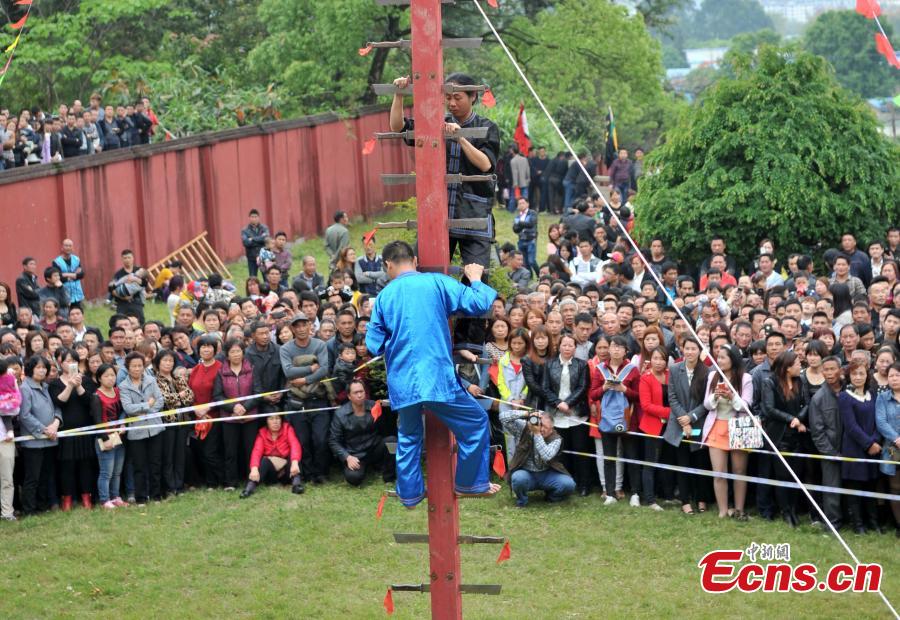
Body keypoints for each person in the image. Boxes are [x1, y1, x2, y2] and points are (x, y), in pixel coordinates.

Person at [365, 241, 500, 506]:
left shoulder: (384, 297)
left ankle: (410, 493)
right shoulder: (436, 283)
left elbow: (373, 345)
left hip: (403, 380)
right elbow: (479, 302)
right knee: (475, 423)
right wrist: (475, 278)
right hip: (436, 377)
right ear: (414, 260)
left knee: (409, 436)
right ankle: (469, 483)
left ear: (387, 265)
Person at [390, 72, 500, 268]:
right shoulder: (435, 123)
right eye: (448, 98)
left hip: (473, 213)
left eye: (457, 98)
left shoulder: (487, 127)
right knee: (428, 274)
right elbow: (398, 127)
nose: (452, 103)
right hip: (438, 214)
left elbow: (485, 164)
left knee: (476, 278)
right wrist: (399, 95)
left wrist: (461, 138)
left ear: (472, 96)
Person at [702, 345, 753, 520]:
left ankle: (739, 509)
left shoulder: (745, 378)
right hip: (716, 427)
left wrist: (732, 397)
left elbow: (747, 406)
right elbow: (706, 405)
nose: (719, 360)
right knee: (719, 473)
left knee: (739, 471)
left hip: (739, 427)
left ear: (733, 359)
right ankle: (722, 511)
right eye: (718, 357)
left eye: (723, 357)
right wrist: (715, 396)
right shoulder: (712, 376)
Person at [280, 312, 331, 485]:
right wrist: (310, 369)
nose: (301, 329)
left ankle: (321, 472)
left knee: (320, 439)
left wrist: (305, 380)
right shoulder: (286, 349)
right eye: (297, 326)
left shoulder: (320, 345)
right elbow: (288, 371)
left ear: (310, 326)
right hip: (297, 402)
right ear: (292, 329)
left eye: (304, 325)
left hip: (318, 399)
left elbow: (324, 369)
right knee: (302, 440)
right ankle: (308, 473)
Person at [760, 350, 808, 527]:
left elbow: (806, 404)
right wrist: (791, 419)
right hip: (778, 436)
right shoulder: (769, 382)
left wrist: (799, 420)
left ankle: (794, 508)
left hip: (797, 436)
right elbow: (769, 409)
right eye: (797, 363)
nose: (800, 366)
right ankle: (785, 511)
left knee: (796, 475)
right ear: (787, 367)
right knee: (782, 476)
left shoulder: (799, 381)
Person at [592, 335, 641, 506]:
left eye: (620, 347)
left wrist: (624, 389)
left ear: (626, 351)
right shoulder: (599, 369)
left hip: (628, 419)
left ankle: (635, 493)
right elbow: (592, 394)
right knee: (609, 457)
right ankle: (610, 493)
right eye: (613, 346)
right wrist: (604, 387)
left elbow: (639, 396)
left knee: (631, 456)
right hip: (606, 419)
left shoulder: (632, 369)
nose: (615, 349)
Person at [665, 336, 711, 514]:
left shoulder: (707, 372)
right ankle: (685, 500)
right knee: (682, 464)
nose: (690, 352)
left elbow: (707, 401)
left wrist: (691, 417)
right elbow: (672, 397)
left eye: (694, 348)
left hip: (699, 423)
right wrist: (683, 419)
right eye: (687, 348)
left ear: (699, 351)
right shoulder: (675, 369)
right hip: (678, 424)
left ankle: (701, 499)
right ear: (682, 349)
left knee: (701, 464)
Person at [838, 360, 882, 534]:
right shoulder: (844, 396)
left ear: (867, 375)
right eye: (854, 373)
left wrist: (876, 441)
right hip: (854, 448)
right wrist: (868, 443)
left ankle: (873, 522)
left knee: (871, 485)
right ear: (849, 375)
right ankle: (858, 524)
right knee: (855, 488)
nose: (858, 377)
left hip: (873, 447)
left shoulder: (873, 394)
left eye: (861, 373)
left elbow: (878, 420)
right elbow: (851, 426)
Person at [49, 348, 94, 511]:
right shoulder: (54, 383)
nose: (70, 364)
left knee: (86, 465)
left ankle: (86, 498)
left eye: (73, 361)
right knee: (66, 467)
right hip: (65, 432)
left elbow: (90, 401)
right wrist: (69, 386)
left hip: (85, 430)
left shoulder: (86, 380)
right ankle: (67, 499)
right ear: (60, 363)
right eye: (66, 360)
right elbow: (59, 402)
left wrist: (79, 386)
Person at [214, 339, 261, 491]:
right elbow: (218, 396)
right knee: (230, 451)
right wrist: (234, 407)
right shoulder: (221, 372)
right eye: (232, 352)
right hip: (229, 418)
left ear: (243, 352)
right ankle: (231, 482)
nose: (236, 354)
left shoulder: (252, 368)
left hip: (250, 416)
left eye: (238, 351)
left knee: (250, 449)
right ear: (227, 354)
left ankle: (251, 478)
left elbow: (258, 393)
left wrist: (245, 407)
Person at [500, 409, 574, 507]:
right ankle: (522, 501)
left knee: (569, 484)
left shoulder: (556, 439)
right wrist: (526, 413)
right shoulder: (525, 428)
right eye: (540, 424)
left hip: (547, 474)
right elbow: (502, 417)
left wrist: (537, 434)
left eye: (545, 427)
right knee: (518, 478)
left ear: (552, 428)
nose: (541, 428)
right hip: (526, 472)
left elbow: (546, 456)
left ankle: (552, 498)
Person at [329, 380, 396, 486]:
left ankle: (389, 476)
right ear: (349, 396)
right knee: (353, 478)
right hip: (355, 454)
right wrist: (347, 457)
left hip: (374, 449)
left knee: (392, 441)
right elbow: (333, 441)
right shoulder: (340, 414)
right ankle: (367, 468)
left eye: (361, 391)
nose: (360, 395)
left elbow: (384, 430)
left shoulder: (375, 406)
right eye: (356, 393)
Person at [17, 356, 62, 515]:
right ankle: (29, 509)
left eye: (44, 368)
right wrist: (44, 429)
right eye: (38, 367)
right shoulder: (25, 388)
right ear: (31, 369)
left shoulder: (46, 386)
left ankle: (42, 506)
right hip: (34, 442)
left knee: (45, 475)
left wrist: (56, 423)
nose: (42, 370)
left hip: (50, 440)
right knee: (32, 477)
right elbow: (25, 415)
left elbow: (56, 408)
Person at [119, 352, 164, 506]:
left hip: (155, 428)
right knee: (139, 466)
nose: (137, 369)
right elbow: (128, 408)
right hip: (136, 432)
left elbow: (160, 401)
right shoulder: (123, 386)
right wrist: (147, 405)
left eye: (140, 366)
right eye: (134, 366)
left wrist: (146, 411)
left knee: (156, 463)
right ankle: (141, 498)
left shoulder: (151, 380)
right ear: (128, 368)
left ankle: (156, 495)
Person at [808, 356, 845, 530]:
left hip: (851, 448)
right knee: (832, 487)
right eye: (826, 370)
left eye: (833, 369)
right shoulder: (819, 398)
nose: (829, 373)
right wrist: (831, 453)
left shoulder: (850, 390)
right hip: (831, 451)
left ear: (840, 370)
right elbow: (817, 432)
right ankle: (833, 523)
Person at [154, 350, 194, 497]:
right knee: (168, 456)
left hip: (182, 422)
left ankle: (179, 484)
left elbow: (190, 396)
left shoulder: (178, 378)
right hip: (167, 423)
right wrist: (179, 396)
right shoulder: (155, 380)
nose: (168, 363)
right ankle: (170, 487)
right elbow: (163, 399)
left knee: (180, 455)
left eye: (170, 361)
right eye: (165, 360)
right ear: (158, 363)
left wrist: (177, 398)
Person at [637, 346, 672, 511]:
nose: (658, 362)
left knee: (666, 461)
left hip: (669, 426)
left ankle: (667, 495)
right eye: (655, 358)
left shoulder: (670, 375)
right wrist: (670, 412)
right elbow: (646, 405)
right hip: (651, 426)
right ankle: (650, 500)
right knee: (650, 462)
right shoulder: (646, 378)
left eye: (662, 359)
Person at [188, 335, 224, 488]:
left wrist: (208, 409)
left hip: (214, 416)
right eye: (203, 346)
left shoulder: (221, 368)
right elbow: (190, 392)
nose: (206, 349)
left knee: (211, 452)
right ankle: (209, 481)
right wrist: (196, 408)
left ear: (215, 350)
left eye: (210, 346)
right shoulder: (196, 369)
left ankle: (221, 480)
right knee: (202, 451)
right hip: (198, 417)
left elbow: (223, 393)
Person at [91, 363, 127, 509]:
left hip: (119, 435)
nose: (110, 378)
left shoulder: (118, 392)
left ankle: (115, 496)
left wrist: (124, 423)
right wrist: (105, 439)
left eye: (112, 375)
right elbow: (97, 421)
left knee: (117, 471)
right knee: (106, 471)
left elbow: (124, 411)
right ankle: (105, 500)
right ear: (99, 378)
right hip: (105, 437)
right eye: (106, 376)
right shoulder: (96, 396)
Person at [241, 415, 303, 498]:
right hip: (272, 473)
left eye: (278, 418)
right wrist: (254, 469)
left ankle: (296, 485)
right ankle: (249, 488)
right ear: (266, 421)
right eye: (271, 419)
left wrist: (295, 462)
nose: (275, 422)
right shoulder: (262, 432)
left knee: (294, 457)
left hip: (287, 471)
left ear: (281, 420)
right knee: (264, 461)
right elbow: (256, 452)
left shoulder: (287, 428)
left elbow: (295, 444)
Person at [875, 362, 900, 535]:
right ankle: (899, 523)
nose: (894, 378)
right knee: (895, 488)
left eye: (898, 375)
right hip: (892, 449)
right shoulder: (882, 397)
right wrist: (897, 438)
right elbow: (881, 422)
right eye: (891, 375)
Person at [0, 358, 20, 520]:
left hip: (4, 438)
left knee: (7, 477)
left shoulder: (7, 382)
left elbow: (14, 409)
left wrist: (13, 383)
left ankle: (7, 512)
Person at [108, 249, 148, 323]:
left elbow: (145, 283)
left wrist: (134, 279)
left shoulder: (139, 271)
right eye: (125, 258)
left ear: (133, 258)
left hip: (136, 302)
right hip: (122, 303)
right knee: (121, 323)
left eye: (129, 257)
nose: (127, 260)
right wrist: (124, 297)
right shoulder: (118, 274)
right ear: (122, 259)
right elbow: (111, 289)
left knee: (140, 323)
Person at [54, 239, 85, 306]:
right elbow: (59, 278)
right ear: (62, 247)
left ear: (72, 248)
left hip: (77, 294)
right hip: (64, 294)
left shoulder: (76, 259)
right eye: (66, 246)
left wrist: (66, 274)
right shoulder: (56, 262)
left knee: (78, 314)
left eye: (70, 246)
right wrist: (75, 275)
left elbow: (81, 275)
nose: (68, 248)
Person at [241, 209, 270, 278]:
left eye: (255, 217)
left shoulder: (264, 228)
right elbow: (246, 243)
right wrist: (259, 239)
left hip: (264, 256)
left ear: (258, 217)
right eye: (252, 217)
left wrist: (252, 239)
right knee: (253, 278)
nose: (254, 219)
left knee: (267, 277)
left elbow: (266, 239)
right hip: (252, 257)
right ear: (249, 218)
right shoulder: (245, 230)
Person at [507, 144, 530, 212]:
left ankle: (511, 210)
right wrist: (528, 178)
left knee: (513, 197)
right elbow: (527, 169)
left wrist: (515, 183)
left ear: (512, 151)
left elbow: (515, 173)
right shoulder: (524, 159)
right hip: (525, 181)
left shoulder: (513, 161)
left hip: (516, 182)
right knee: (525, 197)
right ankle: (525, 209)